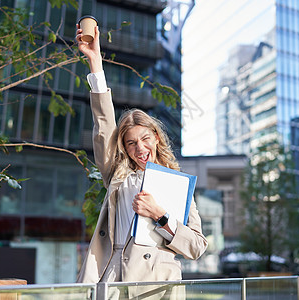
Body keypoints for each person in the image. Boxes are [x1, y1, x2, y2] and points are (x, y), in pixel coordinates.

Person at [75, 23, 208, 297]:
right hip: (112, 279)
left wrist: (160, 215)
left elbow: (196, 246)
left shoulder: (177, 184)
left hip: (156, 286)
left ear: (157, 138)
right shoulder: (117, 174)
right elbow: (103, 124)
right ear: (124, 147)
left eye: (146, 139)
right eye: (131, 143)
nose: (140, 148)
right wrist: (95, 62)